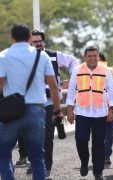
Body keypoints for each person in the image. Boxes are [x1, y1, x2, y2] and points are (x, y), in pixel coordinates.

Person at [0, 23, 61, 180]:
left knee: (4, 153)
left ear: (12, 38)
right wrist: (57, 109)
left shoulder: (3, 56)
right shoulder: (42, 56)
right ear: (29, 38)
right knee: (37, 156)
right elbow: (53, 86)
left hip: (11, 112)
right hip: (36, 111)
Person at [17, 30, 79, 177]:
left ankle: (46, 166)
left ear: (42, 41)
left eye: (40, 41)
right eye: (34, 41)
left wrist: (72, 81)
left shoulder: (54, 56)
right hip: (31, 102)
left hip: (51, 102)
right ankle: (34, 161)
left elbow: (74, 62)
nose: (37, 43)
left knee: (47, 136)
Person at [66, 46, 113, 180]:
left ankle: (98, 172)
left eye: (95, 56)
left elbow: (111, 90)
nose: (93, 58)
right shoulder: (77, 70)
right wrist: (70, 110)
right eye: (89, 56)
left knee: (99, 143)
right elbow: (71, 90)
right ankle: (84, 160)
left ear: (98, 57)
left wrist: (112, 109)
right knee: (81, 140)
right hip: (82, 112)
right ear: (85, 57)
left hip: (100, 112)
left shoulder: (105, 71)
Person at [98, 52, 113, 165]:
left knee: (109, 134)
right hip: (95, 109)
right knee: (98, 134)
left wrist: (112, 106)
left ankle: (106, 155)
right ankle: (98, 155)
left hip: (109, 108)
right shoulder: (88, 73)